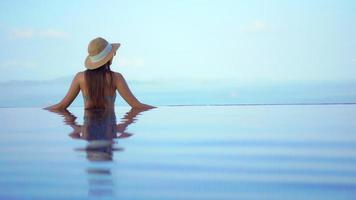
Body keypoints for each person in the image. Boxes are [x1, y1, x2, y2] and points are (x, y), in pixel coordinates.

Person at [44, 37, 155, 110]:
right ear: (109, 56)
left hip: (88, 132)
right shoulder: (116, 78)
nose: (114, 54)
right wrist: (123, 127)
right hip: (109, 130)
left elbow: (62, 106)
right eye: (113, 53)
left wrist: (76, 127)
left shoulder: (80, 78)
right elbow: (137, 106)